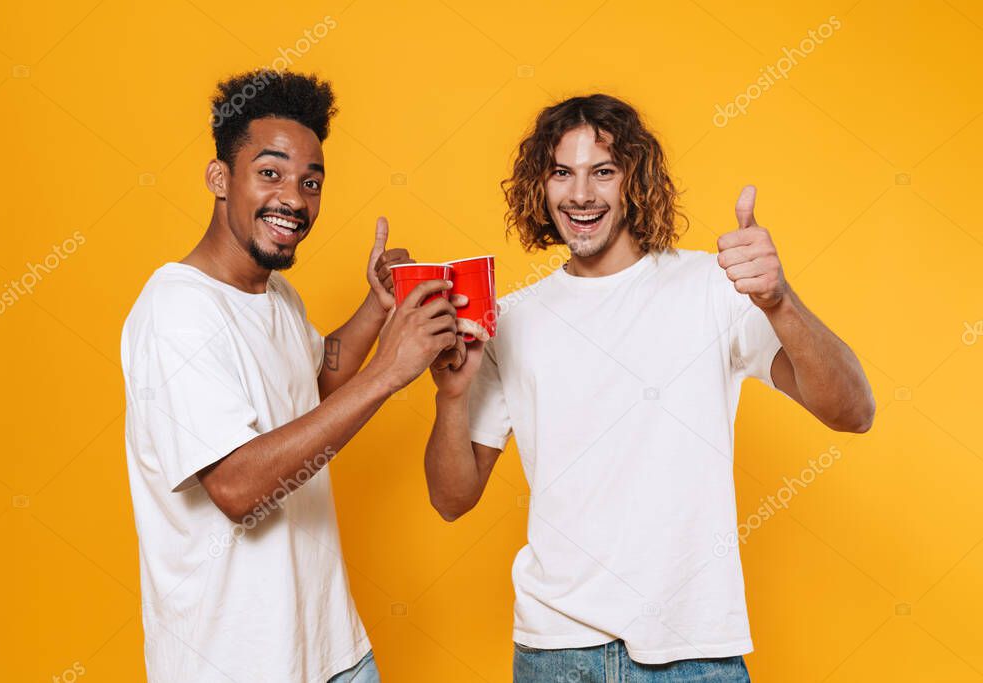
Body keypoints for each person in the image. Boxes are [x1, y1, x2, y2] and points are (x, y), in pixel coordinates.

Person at [424, 94, 875, 682]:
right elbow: (451, 500)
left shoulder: (714, 288)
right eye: (563, 173)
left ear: (635, 181)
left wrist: (779, 300)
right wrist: (451, 396)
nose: (581, 194)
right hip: (556, 651)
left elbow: (853, 411)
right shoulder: (510, 321)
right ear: (541, 187)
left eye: (602, 172)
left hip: (694, 651)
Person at [120, 70, 481, 682]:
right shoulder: (176, 311)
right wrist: (389, 373)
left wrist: (379, 306)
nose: (293, 197)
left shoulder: (275, 294)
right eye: (270, 173)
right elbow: (235, 487)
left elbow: (312, 389)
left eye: (309, 182)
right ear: (218, 178)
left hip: (332, 651)